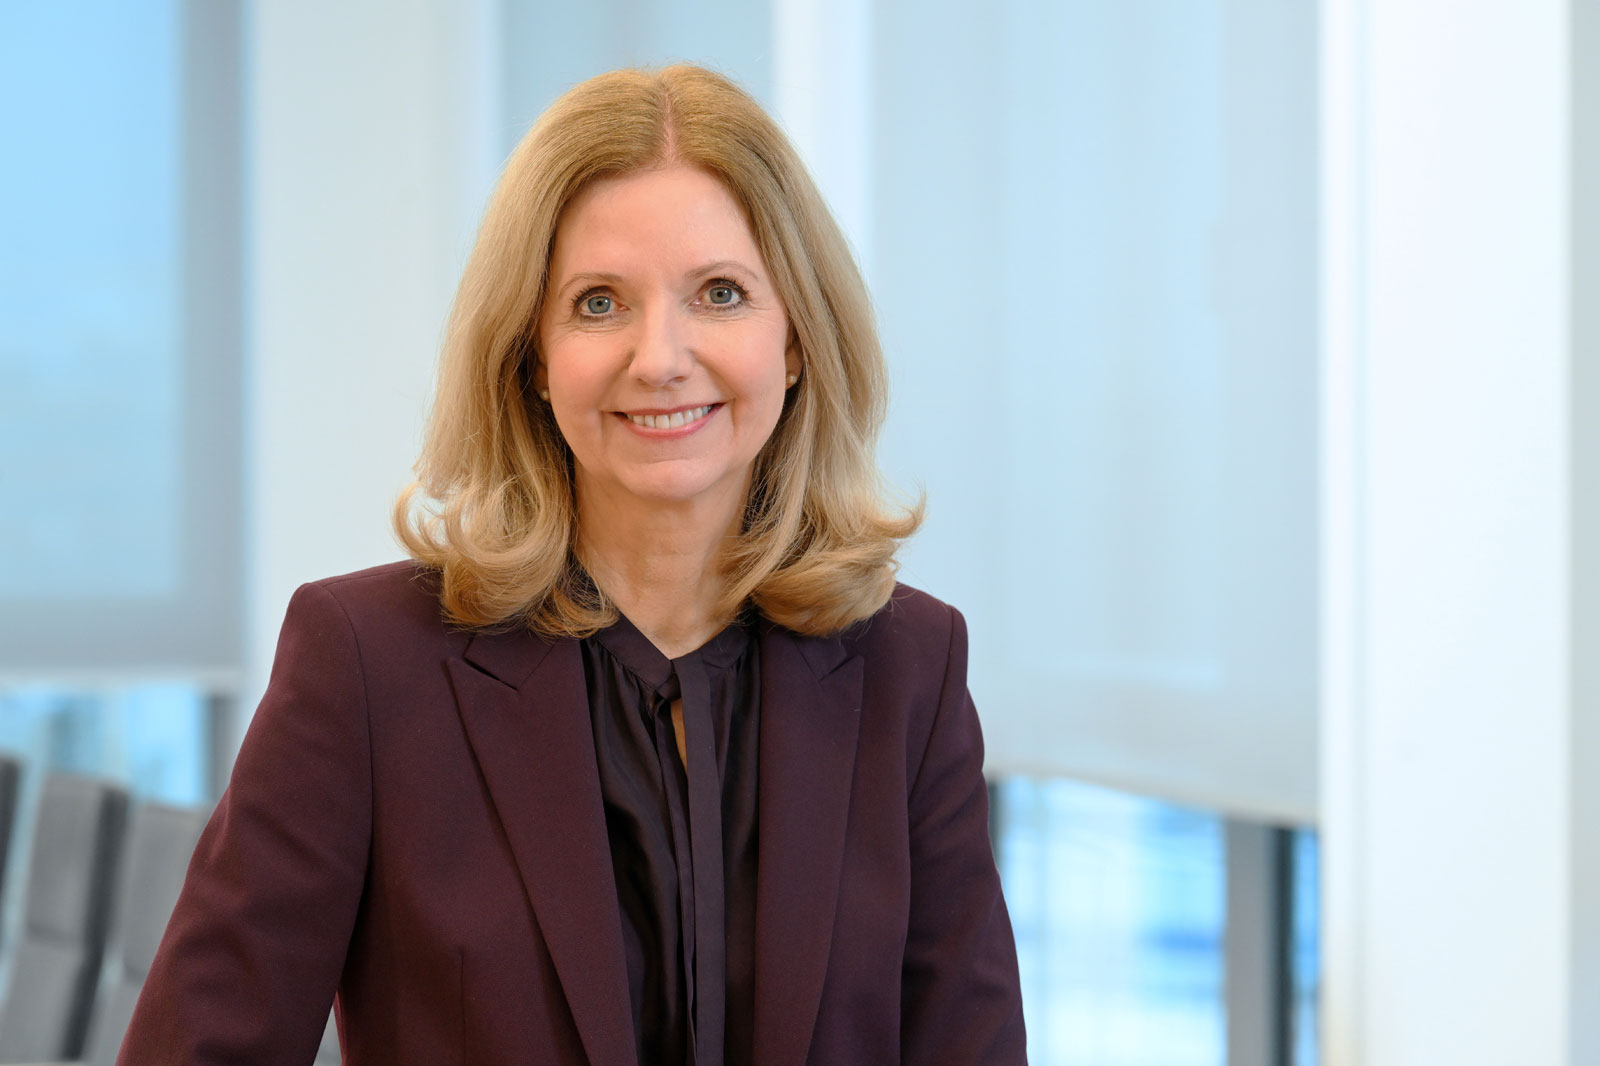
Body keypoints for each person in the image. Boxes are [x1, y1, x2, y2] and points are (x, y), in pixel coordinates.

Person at [118, 65, 1026, 1066]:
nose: (661, 357)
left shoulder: (909, 669)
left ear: (797, 338)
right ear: (533, 358)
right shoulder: (369, 669)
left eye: (719, 293)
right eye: (599, 304)